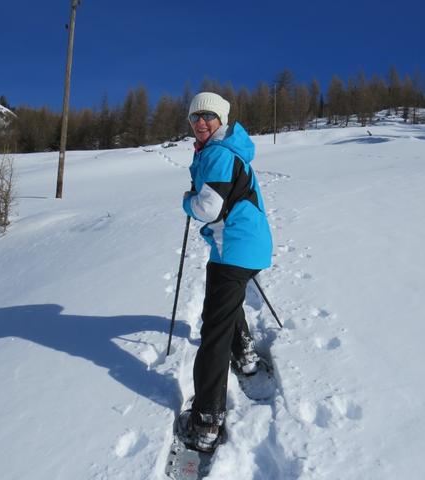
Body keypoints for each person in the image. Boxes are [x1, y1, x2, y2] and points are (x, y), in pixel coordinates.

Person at [180, 92, 273, 452]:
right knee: (221, 309)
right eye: (194, 117)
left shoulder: (219, 154)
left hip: (235, 247)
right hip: (240, 247)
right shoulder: (220, 150)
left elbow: (207, 208)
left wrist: (187, 200)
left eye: (208, 116)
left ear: (220, 119)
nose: (200, 122)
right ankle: (246, 355)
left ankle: (206, 421)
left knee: (213, 333)